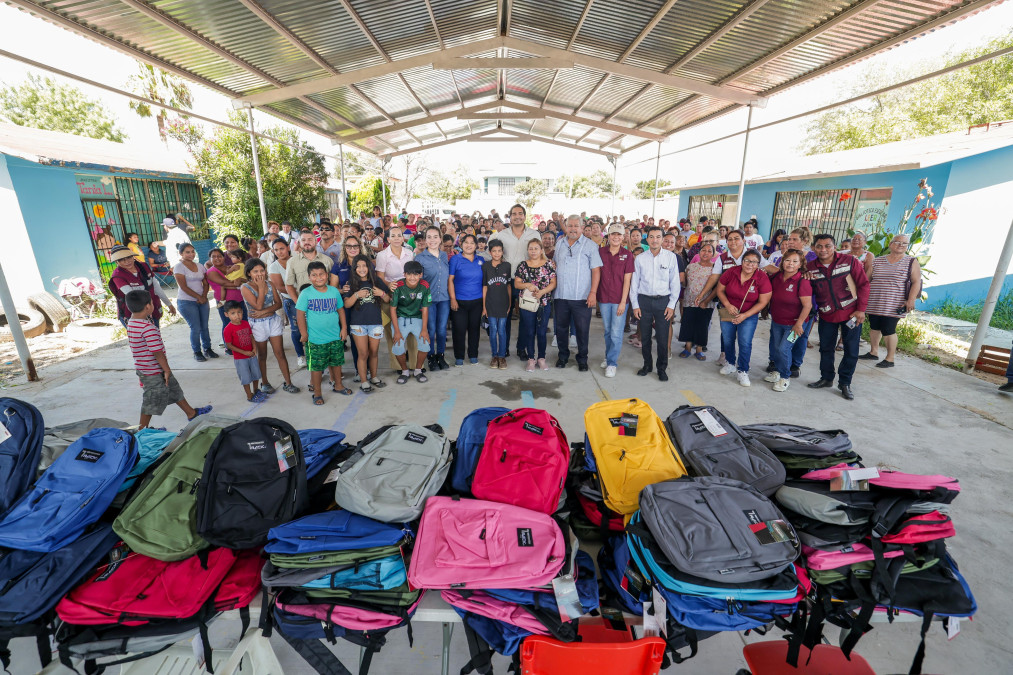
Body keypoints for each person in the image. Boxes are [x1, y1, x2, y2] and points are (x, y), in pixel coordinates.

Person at [124, 290, 211, 428]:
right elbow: (157, 352)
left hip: (146, 367)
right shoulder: (147, 328)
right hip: (153, 370)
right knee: (151, 400)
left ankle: (191, 413)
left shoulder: (131, 322)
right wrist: (166, 370)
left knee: (174, 389)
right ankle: (142, 430)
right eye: (152, 302)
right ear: (148, 306)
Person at [806, 234, 870, 400]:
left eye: (827, 246)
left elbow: (863, 285)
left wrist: (861, 310)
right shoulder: (810, 267)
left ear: (835, 247)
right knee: (826, 348)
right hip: (827, 315)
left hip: (851, 313)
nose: (823, 250)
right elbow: (808, 290)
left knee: (851, 350)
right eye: (819, 246)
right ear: (814, 248)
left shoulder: (849, 261)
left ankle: (845, 383)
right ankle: (826, 378)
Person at [489, 204, 541, 360]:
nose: (517, 216)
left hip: (526, 282)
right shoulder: (501, 235)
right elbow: (492, 253)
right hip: (506, 281)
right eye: (514, 214)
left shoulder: (534, 234)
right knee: (506, 316)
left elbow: (538, 256)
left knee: (526, 317)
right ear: (510, 217)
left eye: (520, 213)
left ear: (525, 216)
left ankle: (521, 348)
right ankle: (504, 349)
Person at [861, 233, 921, 368]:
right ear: (890, 244)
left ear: (907, 246)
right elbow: (867, 279)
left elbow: (916, 282)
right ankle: (873, 352)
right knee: (874, 326)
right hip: (875, 300)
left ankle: (890, 358)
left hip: (895, 302)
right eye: (897, 242)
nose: (900, 245)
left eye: (904, 243)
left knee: (889, 328)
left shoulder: (911, 261)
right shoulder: (878, 260)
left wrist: (911, 300)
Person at [241, 258, 299, 395]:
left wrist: (266, 311)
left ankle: (288, 382)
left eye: (262, 270)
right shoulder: (245, 288)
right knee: (262, 355)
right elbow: (258, 305)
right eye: (255, 271)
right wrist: (261, 288)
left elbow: (278, 304)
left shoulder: (270, 284)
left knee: (280, 353)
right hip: (257, 325)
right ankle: (265, 382)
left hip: (272, 320)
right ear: (249, 273)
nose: (259, 274)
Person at [630, 226, 681, 381]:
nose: (654, 240)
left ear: (662, 239)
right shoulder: (640, 258)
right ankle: (647, 365)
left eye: (658, 237)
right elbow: (634, 283)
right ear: (647, 239)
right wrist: (635, 305)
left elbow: (675, 283)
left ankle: (661, 368)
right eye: (651, 237)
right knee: (644, 336)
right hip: (644, 301)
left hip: (663, 302)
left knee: (662, 337)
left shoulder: (671, 258)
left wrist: (671, 305)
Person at [296, 261, 351, 404]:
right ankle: (317, 393)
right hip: (315, 339)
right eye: (314, 275)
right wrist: (303, 333)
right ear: (309, 277)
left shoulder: (334, 291)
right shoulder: (306, 293)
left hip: (335, 336)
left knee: (336, 362)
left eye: (321, 274)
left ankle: (338, 386)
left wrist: (344, 328)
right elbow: (300, 314)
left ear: (327, 275)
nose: (318, 278)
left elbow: (340, 310)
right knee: (316, 367)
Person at [553, 215, 602, 371]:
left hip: (581, 296)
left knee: (582, 330)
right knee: (560, 329)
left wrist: (593, 293)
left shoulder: (590, 246)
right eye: (570, 225)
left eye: (576, 226)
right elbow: (554, 265)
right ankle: (563, 356)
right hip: (561, 295)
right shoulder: (559, 244)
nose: (573, 229)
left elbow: (596, 271)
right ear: (565, 227)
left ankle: (582, 359)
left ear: (582, 227)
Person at [716, 249, 772, 387]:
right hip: (728, 311)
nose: (750, 264)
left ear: (759, 264)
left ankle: (743, 370)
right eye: (747, 260)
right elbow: (720, 290)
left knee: (745, 342)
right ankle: (730, 363)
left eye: (754, 262)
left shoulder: (762, 277)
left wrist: (745, 315)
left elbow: (763, 301)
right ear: (742, 261)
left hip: (749, 315)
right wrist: (727, 305)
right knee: (728, 339)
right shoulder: (731, 272)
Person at [762, 250, 813, 392]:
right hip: (777, 321)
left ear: (801, 264)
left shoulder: (802, 281)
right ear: (782, 261)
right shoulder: (777, 276)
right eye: (787, 260)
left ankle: (785, 377)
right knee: (776, 348)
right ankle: (777, 372)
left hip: (795, 324)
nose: (790, 264)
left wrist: (799, 324)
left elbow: (807, 305)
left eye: (795, 261)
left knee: (783, 349)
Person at [343, 254, 391, 393]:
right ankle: (364, 381)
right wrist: (356, 295)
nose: (362, 269)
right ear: (354, 268)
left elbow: (388, 299)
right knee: (363, 353)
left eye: (364, 266)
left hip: (375, 322)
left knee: (374, 352)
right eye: (358, 266)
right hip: (358, 324)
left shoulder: (376, 281)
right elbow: (346, 304)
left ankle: (374, 377)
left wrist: (381, 293)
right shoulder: (351, 283)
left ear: (369, 267)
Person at [108, 245, 176, 329]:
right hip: (134, 315)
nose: (127, 261)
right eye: (121, 259)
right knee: (142, 341)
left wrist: (169, 304)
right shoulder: (118, 276)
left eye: (129, 257)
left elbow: (156, 287)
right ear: (116, 262)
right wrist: (147, 315)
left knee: (155, 338)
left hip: (153, 308)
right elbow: (134, 297)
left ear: (133, 256)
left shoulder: (144, 266)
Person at [597, 223, 634, 378]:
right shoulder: (600, 252)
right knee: (607, 331)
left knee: (616, 333)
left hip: (619, 299)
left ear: (623, 237)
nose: (616, 237)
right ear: (608, 236)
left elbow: (627, 280)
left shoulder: (628, 254)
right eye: (613, 234)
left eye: (619, 234)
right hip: (604, 298)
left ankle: (612, 363)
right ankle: (608, 356)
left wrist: (623, 301)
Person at [515, 239, 557, 372]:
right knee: (529, 331)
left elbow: (553, 283)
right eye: (531, 248)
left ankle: (541, 358)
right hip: (528, 304)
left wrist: (542, 292)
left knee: (541, 331)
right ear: (528, 250)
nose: (533, 251)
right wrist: (527, 285)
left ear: (541, 250)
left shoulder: (548, 264)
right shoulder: (523, 265)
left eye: (536, 248)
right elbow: (517, 284)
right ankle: (531, 359)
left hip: (544, 303)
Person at [390, 260, 431, 384]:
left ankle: (418, 370)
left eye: (416, 274)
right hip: (401, 318)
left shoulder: (424, 286)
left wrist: (424, 329)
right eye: (409, 274)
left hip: (417, 317)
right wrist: (397, 330)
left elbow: (425, 309)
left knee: (425, 344)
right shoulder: (398, 286)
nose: (412, 277)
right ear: (404, 274)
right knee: (397, 346)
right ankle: (404, 371)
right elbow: (393, 309)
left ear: (420, 275)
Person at [173, 243, 216, 361]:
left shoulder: (200, 266)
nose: (191, 254)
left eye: (192, 251)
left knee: (204, 326)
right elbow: (183, 287)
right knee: (195, 328)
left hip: (202, 300)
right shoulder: (179, 267)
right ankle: (197, 352)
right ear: (181, 254)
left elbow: (206, 283)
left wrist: (204, 296)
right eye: (187, 252)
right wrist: (199, 297)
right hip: (186, 302)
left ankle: (208, 349)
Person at [416, 226, 451, 372]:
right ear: (425, 239)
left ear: (440, 239)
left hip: (444, 298)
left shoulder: (444, 256)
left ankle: (440, 355)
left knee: (442, 330)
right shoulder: (420, 258)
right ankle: (430, 356)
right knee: (430, 330)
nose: (432, 240)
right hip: (428, 301)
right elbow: (417, 282)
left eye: (435, 236)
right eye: (429, 237)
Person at [448, 234, 485, 366]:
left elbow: (485, 283)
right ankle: (459, 356)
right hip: (459, 301)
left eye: (472, 243)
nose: (469, 245)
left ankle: (473, 354)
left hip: (477, 301)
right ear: (461, 244)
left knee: (474, 329)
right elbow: (450, 280)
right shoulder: (455, 259)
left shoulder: (481, 260)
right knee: (459, 329)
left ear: (476, 246)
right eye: (466, 242)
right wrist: (453, 299)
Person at [222, 299, 267, 402]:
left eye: (239, 312)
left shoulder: (246, 323)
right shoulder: (228, 329)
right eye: (233, 313)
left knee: (256, 374)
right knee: (245, 378)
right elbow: (229, 345)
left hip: (251, 355)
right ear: (226, 314)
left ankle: (256, 391)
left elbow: (251, 336)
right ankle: (249, 395)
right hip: (240, 358)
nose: (237, 316)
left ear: (242, 312)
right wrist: (244, 352)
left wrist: (254, 348)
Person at [679, 242, 718, 361]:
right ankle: (688, 347)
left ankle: (699, 349)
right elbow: (685, 283)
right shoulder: (691, 266)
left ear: (713, 254)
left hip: (706, 302)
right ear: (699, 252)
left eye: (709, 251)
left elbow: (717, 287)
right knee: (688, 323)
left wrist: (706, 300)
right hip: (689, 300)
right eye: (703, 250)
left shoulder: (715, 268)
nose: (706, 253)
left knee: (702, 325)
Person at [206, 248, 247, 355]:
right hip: (225, 302)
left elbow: (245, 279)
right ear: (210, 259)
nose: (217, 258)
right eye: (213, 257)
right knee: (228, 324)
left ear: (224, 257)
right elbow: (226, 284)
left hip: (240, 299)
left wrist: (242, 281)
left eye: (219, 256)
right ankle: (229, 347)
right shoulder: (211, 272)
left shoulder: (230, 267)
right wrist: (240, 283)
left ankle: (243, 344)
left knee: (242, 321)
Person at [483, 240, 512, 369]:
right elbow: (484, 287)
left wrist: (510, 304)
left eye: (499, 251)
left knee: (502, 330)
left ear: (502, 252)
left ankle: (502, 356)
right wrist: (484, 307)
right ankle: (494, 356)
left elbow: (509, 287)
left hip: (503, 303)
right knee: (493, 329)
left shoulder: (507, 266)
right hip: (490, 303)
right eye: (494, 251)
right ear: (490, 252)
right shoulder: (485, 266)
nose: (497, 253)